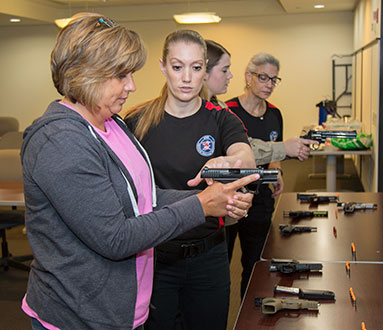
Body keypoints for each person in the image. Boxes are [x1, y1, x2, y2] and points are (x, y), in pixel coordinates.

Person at [20, 14, 257, 330]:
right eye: (121, 75)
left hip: (121, 309)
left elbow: (142, 196)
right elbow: (115, 237)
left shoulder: (112, 124)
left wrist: (210, 197)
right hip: (80, 316)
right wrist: (201, 205)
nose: (132, 85)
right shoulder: (60, 140)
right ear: (85, 74)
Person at [124, 30, 256, 330]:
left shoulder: (222, 119)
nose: (186, 77)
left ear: (204, 69)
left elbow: (245, 157)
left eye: (196, 68)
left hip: (209, 255)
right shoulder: (136, 121)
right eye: (177, 66)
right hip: (155, 257)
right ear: (162, 67)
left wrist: (228, 162)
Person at [225, 52, 285, 299]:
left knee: (255, 265)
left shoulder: (274, 113)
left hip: (260, 199)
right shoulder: (227, 111)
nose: (269, 84)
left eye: (274, 79)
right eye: (263, 77)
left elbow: (276, 149)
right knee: (222, 264)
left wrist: (277, 170)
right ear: (248, 77)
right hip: (230, 199)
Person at [204, 40, 314, 164]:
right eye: (224, 70)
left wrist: (285, 152)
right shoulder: (217, 110)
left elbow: (243, 145)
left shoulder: (220, 108)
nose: (230, 76)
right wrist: (285, 148)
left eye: (273, 80)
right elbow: (242, 151)